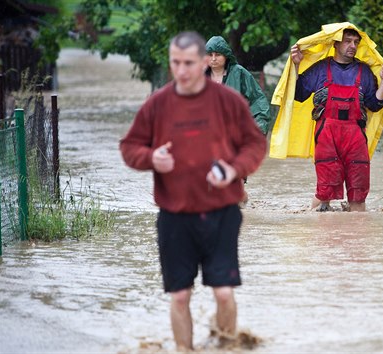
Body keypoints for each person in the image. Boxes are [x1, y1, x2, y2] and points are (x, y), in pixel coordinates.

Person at [119, 31, 267, 351]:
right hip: (175, 215)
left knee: (224, 292)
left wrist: (234, 169)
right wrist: (151, 158)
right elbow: (130, 147)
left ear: (203, 62)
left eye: (189, 63)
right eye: (176, 63)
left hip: (222, 213)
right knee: (180, 294)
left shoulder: (228, 101)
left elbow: (255, 144)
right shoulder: (158, 104)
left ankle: (227, 345)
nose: (182, 70)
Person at [290, 28, 383, 212]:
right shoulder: (321, 68)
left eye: (355, 42)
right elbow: (298, 94)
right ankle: (316, 230)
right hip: (326, 136)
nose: (352, 46)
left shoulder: (365, 72)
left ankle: (357, 237)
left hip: (355, 137)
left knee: (358, 195)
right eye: (347, 41)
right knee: (324, 194)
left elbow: (375, 105)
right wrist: (296, 65)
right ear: (335, 43)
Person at [205, 35, 271, 205]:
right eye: (210, 54)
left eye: (217, 54)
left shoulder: (240, 74)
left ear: (225, 55)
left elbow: (258, 99)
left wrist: (259, 125)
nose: (213, 59)